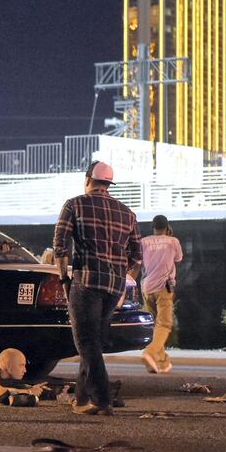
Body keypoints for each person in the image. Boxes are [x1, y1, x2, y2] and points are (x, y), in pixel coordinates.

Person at [52, 161, 141, 415]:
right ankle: (81, 400)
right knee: (93, 343)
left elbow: (60, 245)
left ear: (87, 178)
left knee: (85, 342)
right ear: (109, 184)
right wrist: (123, 276)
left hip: (87, 281)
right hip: (113, 287)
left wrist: (63, 278)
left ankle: (102, 399)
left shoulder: (74, 204)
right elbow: (137, 255)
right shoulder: (127, 212)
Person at [139, 215, 183, 374]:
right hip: (163, 288)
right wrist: (169, 237)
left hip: (146, 287)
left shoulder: (143, 242)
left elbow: (138, 262)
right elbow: (178, 258)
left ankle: (162, 362)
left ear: (153, 227)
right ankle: (149, 353)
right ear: (167, 227)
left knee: (155, 326)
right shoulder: (173, 241)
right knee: (164, 324)